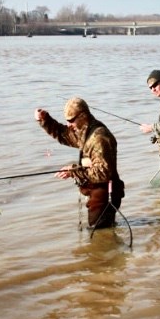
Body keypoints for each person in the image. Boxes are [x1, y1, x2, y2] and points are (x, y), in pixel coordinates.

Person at [34, 97, 125, 229]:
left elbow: (103, 173)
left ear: (82, 116)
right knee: (103, 231)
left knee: (100, 235)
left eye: (71, 120)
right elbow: (64, 134)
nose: (69, 124)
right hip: (97, 192)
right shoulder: (84, 131)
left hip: (106, 194)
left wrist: (73, 171)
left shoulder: (99, 138)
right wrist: (44, 119)